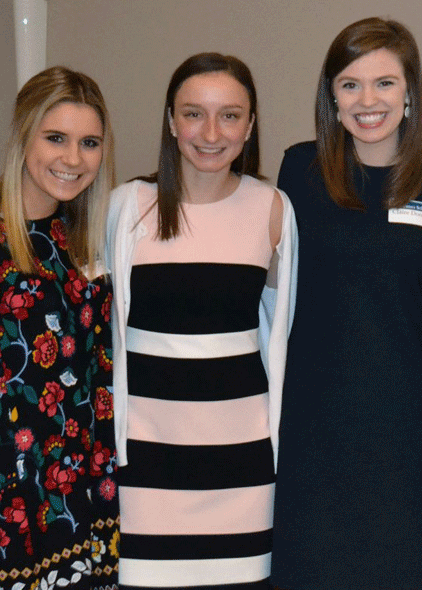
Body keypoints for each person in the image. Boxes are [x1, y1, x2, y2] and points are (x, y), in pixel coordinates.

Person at [271, 17, 422, 590]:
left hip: (403, 424)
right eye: (350, 84)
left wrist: (404, 348)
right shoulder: (299, 171)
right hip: (311, 420)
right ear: (330, 97)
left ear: (409, 92)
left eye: (385, 83)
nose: (368, 101)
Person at [108, 53, 297, 589]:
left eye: (230, 115)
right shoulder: (127, 208)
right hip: (145, 465)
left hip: (241, 467)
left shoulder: (273, 210)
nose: (211, 133)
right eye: (194, 114)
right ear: (170, 121)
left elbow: (281, 334)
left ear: (251, 124)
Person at [0, 67, 118, 589]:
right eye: (56, 138)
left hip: (75, 504)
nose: (73, 159)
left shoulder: (87, 247)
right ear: (23, 135)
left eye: (89, 143)